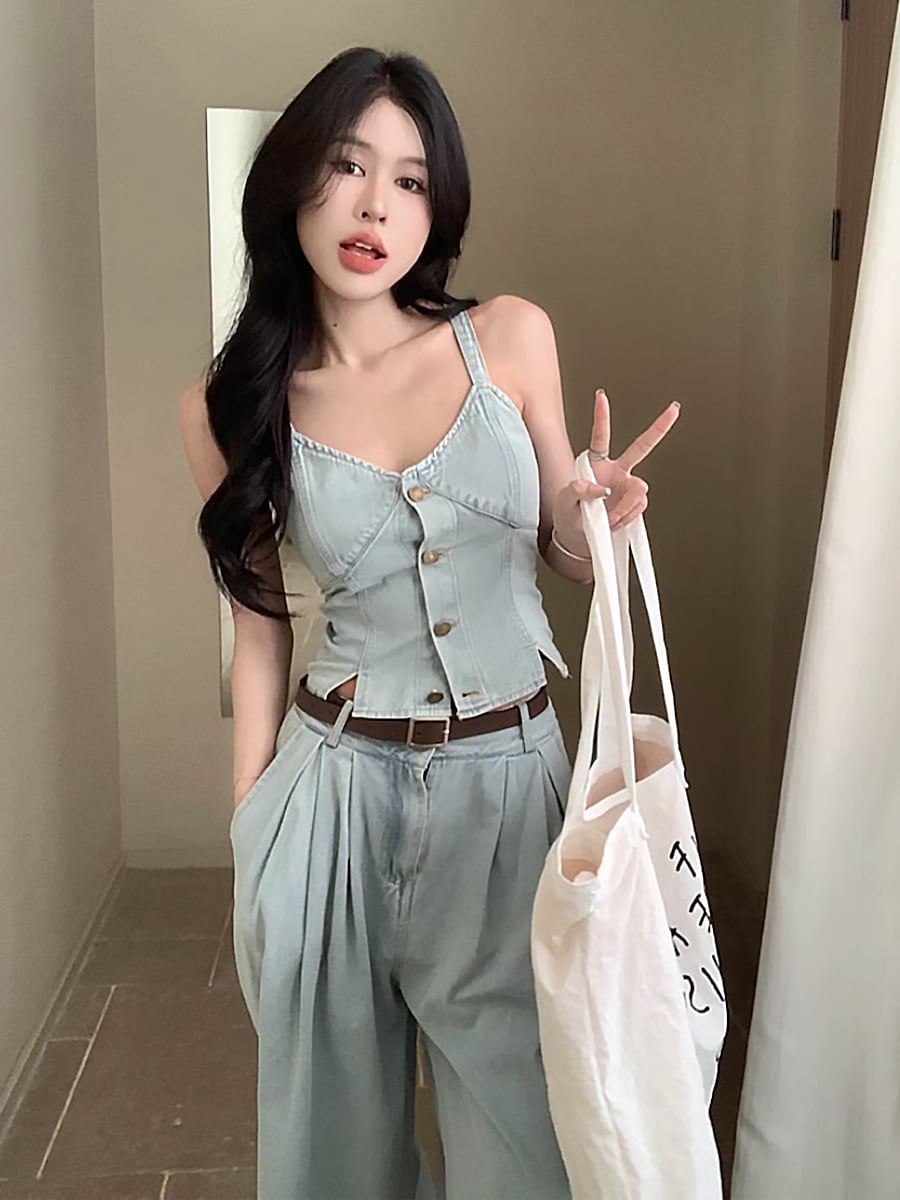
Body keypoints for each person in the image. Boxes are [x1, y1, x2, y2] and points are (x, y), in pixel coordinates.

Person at [178, 44, 679, 1200]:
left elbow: (560, 554)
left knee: (530, 1151)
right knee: (332, 1161)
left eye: (410, 180)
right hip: (330, 799)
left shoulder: (508, 337)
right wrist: (253, 824)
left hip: (508, 798)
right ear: (293, 179)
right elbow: (259, 628)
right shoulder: (229, 406)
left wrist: (598, 518)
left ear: (436, 206)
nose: (376, 207)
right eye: (349, 165)